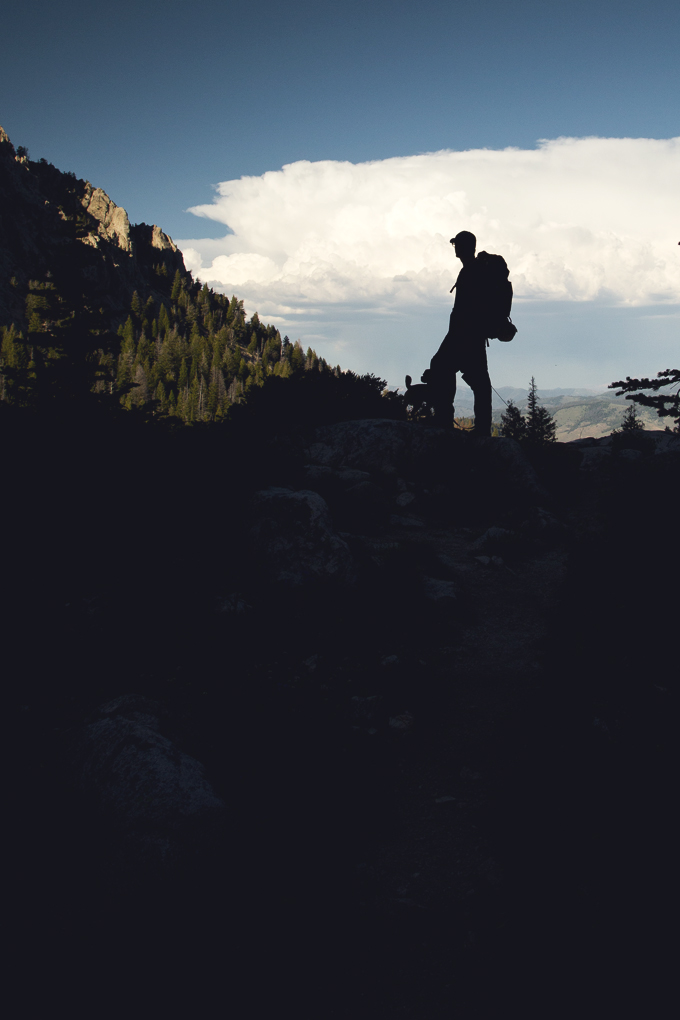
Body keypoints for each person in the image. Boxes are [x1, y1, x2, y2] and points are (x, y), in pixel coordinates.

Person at [427, 230, 492, 434]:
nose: (455, 248)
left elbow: (466, 309)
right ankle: (481, 428)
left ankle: (445, 421)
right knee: (479, 381)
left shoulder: (471, 271)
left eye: (457, 244)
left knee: (440, 366)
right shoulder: (473, 270)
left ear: (465, 247)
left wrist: (455, 333)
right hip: (472, 335)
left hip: (464, 335)